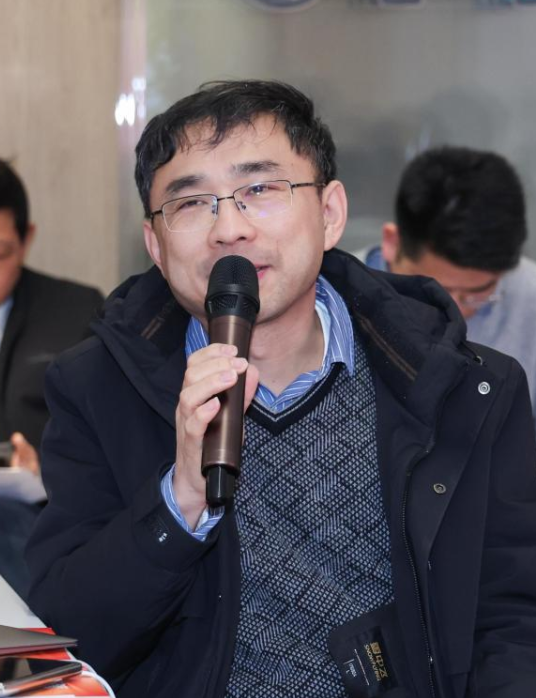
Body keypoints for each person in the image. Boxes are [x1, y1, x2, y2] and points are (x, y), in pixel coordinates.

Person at [26, 82, 536, 698]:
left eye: (261, 190)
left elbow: (513, 617)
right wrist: (181, 500)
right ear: (155, 246)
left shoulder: (467, 386)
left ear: (330, 214)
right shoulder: (96, 388)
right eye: (191, 203)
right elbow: (69, 640)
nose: (229, 229)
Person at [358, 146, 536, 425]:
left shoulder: (528, 297)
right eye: (436, 291)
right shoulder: (330, 299)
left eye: (477, 294)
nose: (455, 312)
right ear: (393, 243)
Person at [0, 159, 104, 598]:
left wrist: (45, 469)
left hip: (35, 527)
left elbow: (108, 449)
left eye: (0, 254)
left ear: (27, 240)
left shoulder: (75, 312)